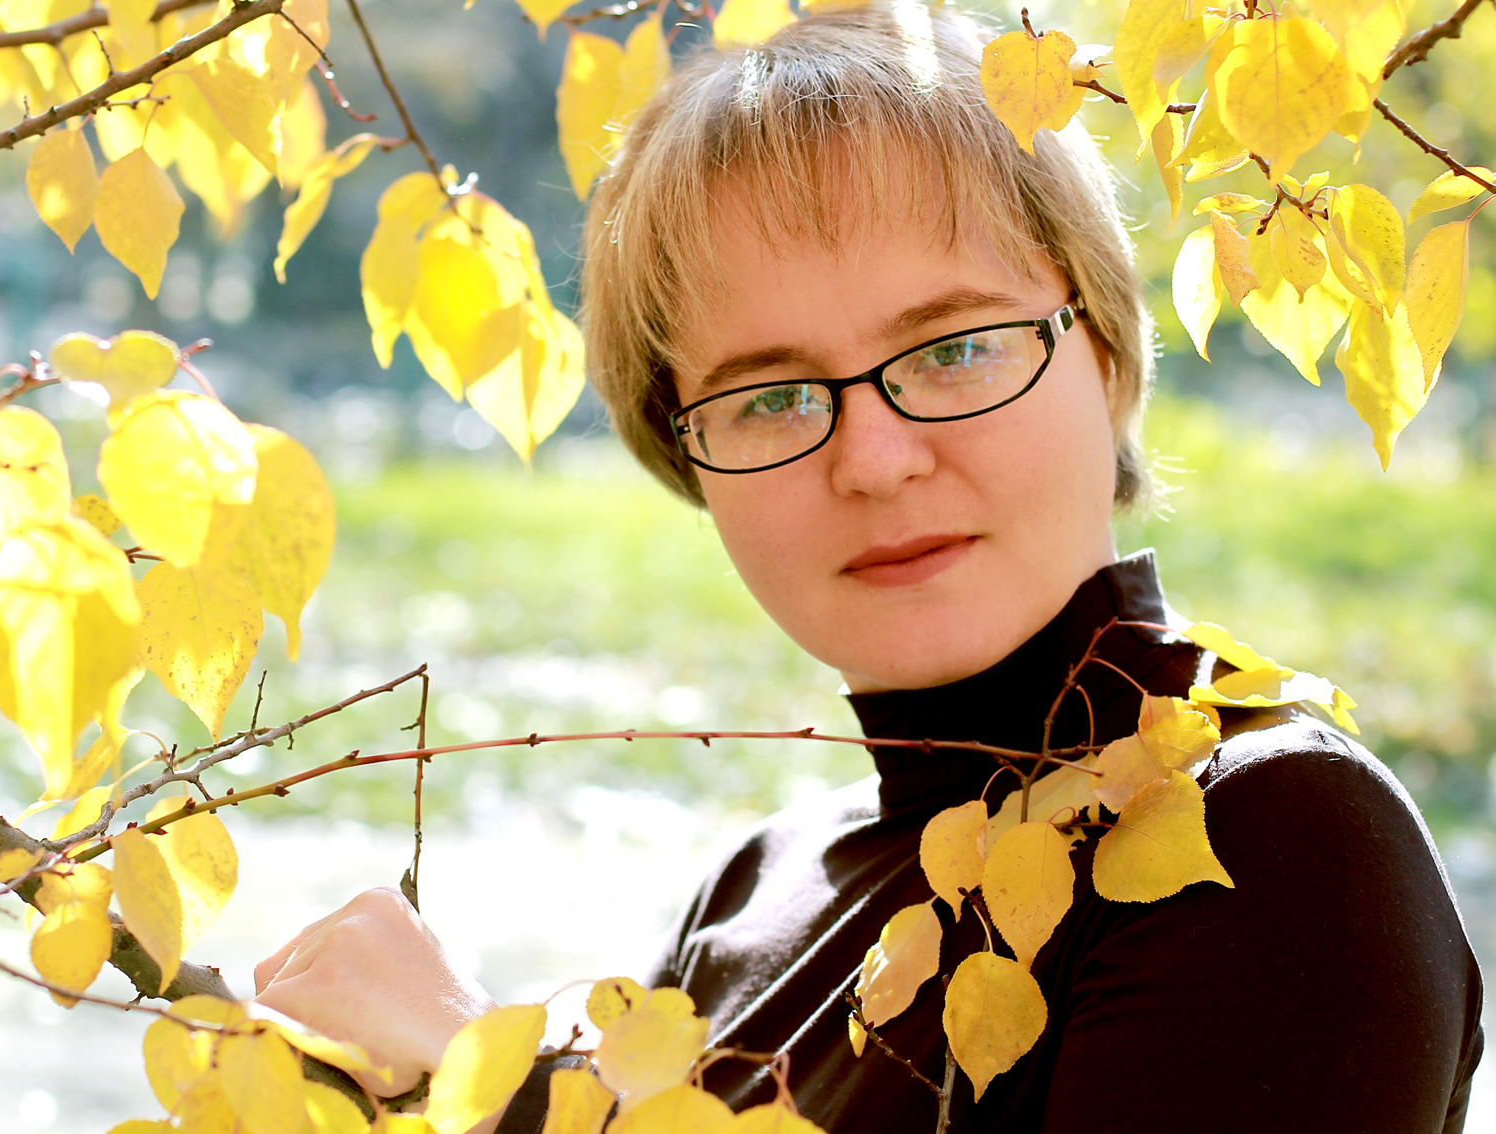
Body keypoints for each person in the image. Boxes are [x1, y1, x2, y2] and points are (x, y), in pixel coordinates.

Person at [253, 4, 1485, 1130]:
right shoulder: (753, 894)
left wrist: (488, 1079)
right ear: (688, 460)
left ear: (1105, 357)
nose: (875, 461)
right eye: (771, 396)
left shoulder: (1270, 834)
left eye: (952, 349)